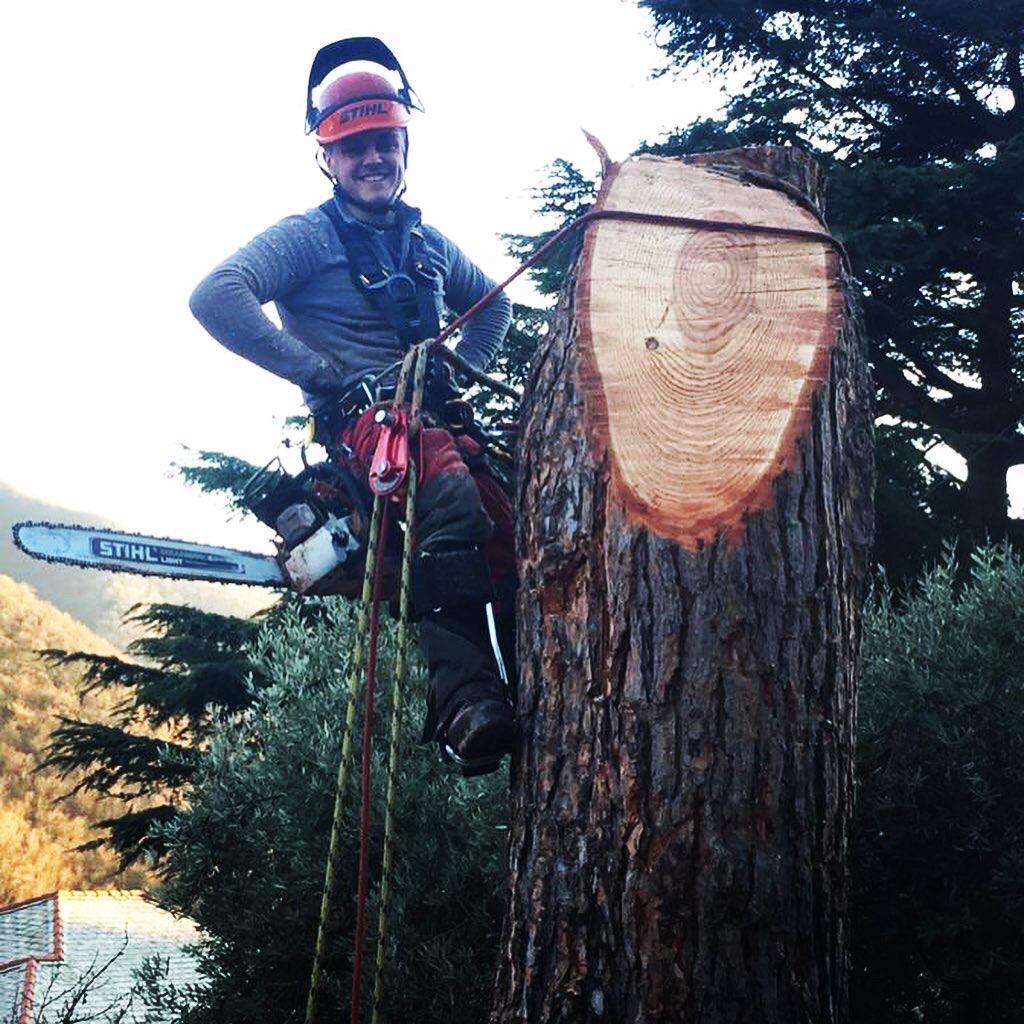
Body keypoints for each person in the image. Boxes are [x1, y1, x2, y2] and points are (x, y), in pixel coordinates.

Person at [189, 39, 516, 775]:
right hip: (368, 429)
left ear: (404, 146)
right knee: (449, 492)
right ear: (328, 158)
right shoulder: (306, 238)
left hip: (437, 423)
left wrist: (462, 377)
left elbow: (496, 306)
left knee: (510, 529)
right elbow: (217, 294)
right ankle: (466, 699)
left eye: (385, 143)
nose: (373, 159)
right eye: (355, 146)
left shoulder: (429, 244)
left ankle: (531, 684)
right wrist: (320, 373)